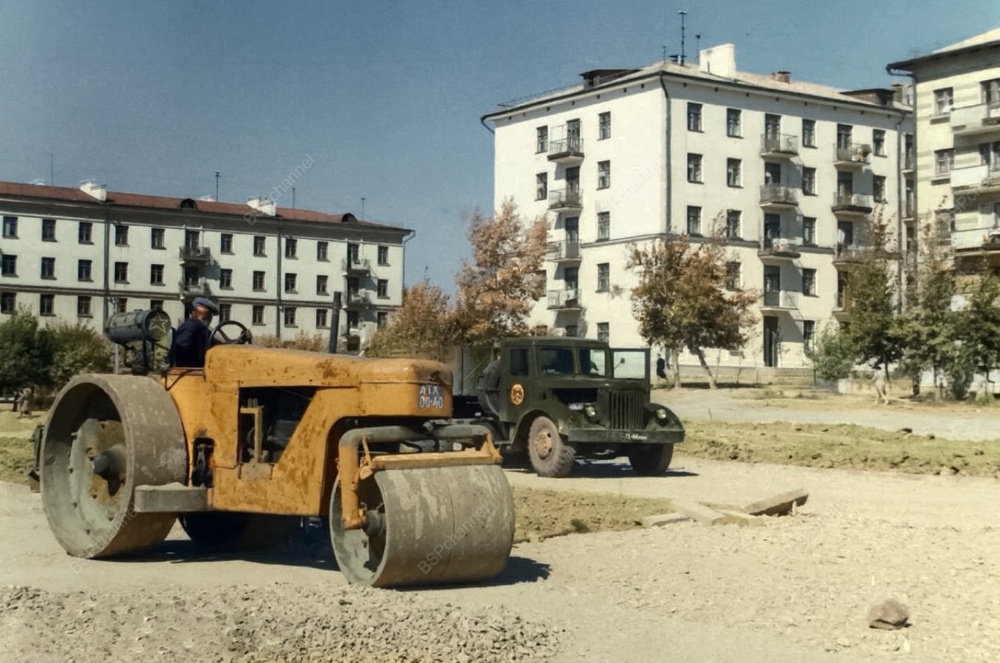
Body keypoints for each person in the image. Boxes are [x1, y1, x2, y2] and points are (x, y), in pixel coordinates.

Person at [168, 297, 219, 368]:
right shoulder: (192, 326)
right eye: (209, 314)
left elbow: (217, 345)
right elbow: (181, 347)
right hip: (190, 372)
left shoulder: (202, 329)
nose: (210, 318)